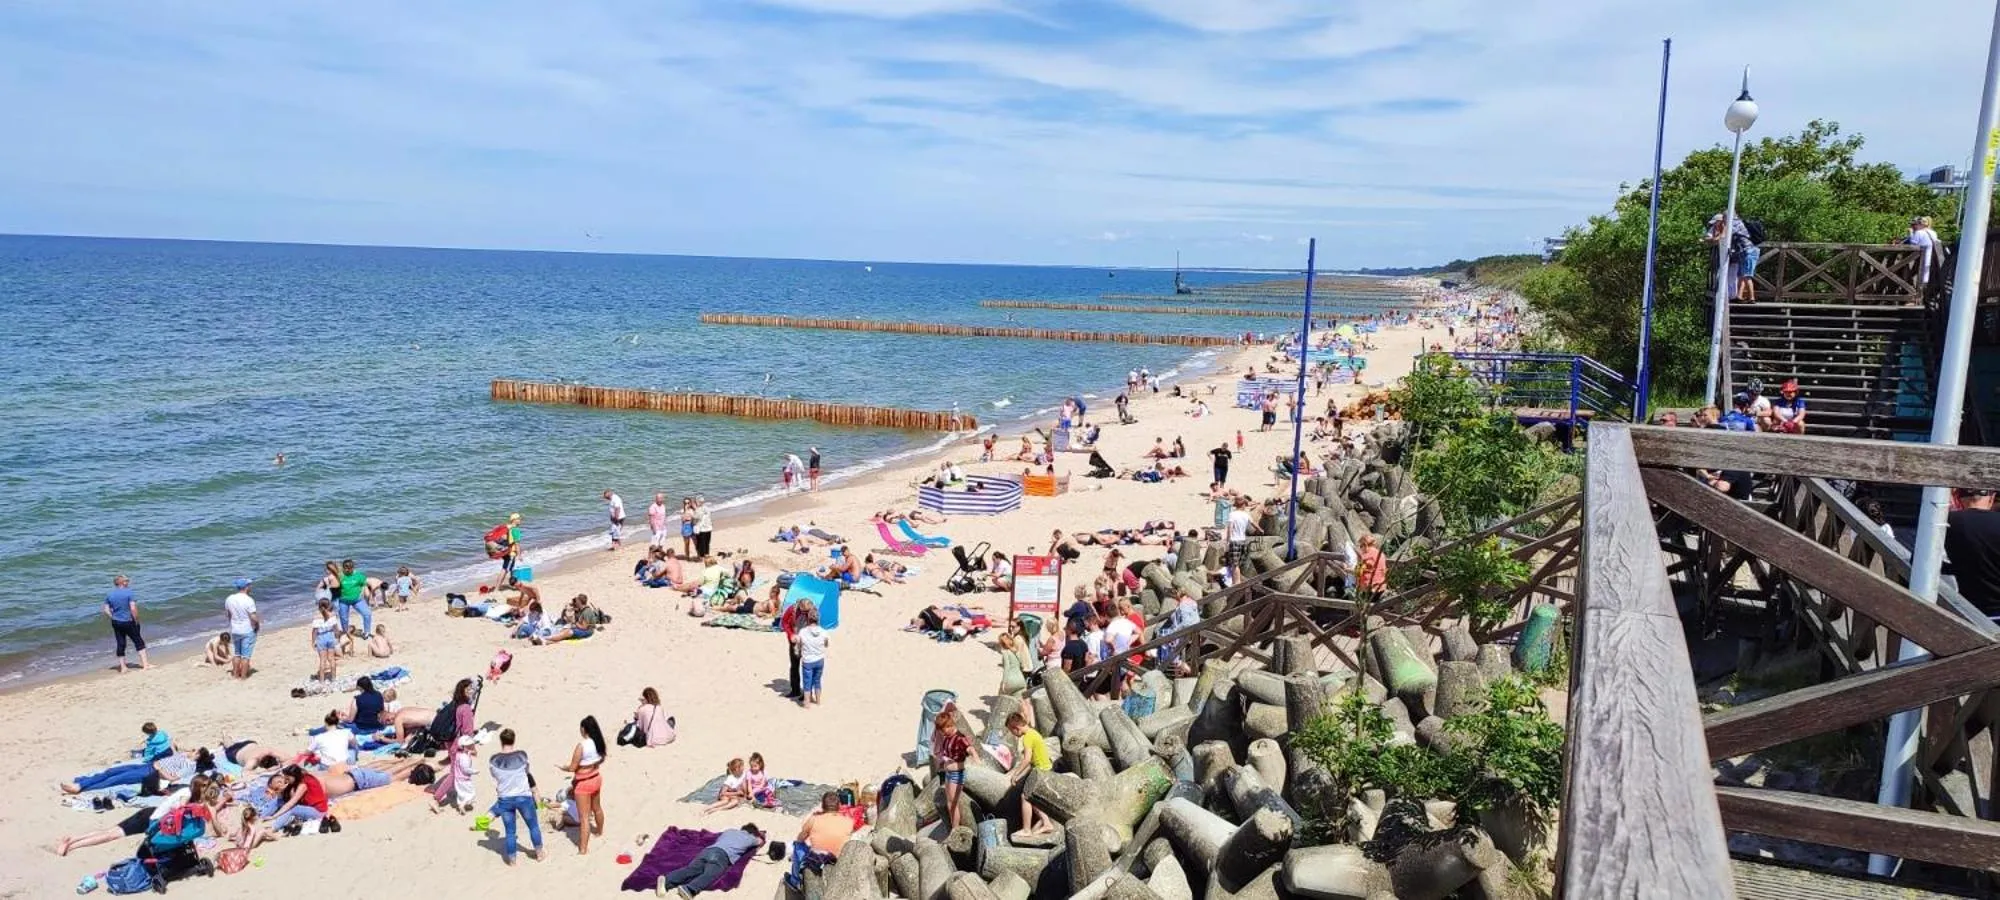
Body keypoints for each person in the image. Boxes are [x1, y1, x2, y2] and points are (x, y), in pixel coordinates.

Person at [485, 728, 544, 865]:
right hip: (523, 796)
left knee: (510, 832)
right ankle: (539, 854)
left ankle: (512, 861)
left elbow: (494, 775)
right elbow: (527, 771)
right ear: (513, 740)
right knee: (533, 826)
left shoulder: (494, 760)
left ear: (501, 741)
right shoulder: (522, 756)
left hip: (505, 799)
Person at [656, 824, 765, 898]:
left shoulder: (729, 831)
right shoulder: (750, 838)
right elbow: (760, 841)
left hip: (708, 850)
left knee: (691, 869)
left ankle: (667, 880)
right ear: (752, 833)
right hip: (723, 856)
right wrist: (760, 834)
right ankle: (689, 889)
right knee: (710, 874)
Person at [1947, 489, 2000, 622]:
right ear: (1991, 497)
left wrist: (1956, 568)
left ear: (1958, 497)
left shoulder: (1946, 523)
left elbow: (1919, 562)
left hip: (1968, 614)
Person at [558, 715, 607, 854]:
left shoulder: (581, 746)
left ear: (584, 729)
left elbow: (572, 767)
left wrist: (563, 767)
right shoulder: (598, 742)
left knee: (584, 817)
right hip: (596, 777)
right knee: (597, 808)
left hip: (583, 783)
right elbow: (601, 759)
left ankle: (583, 848)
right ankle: (599, 831)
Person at [787, 791, 854, 888]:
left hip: (818, 860)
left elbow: (800, 838)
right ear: (839, 806)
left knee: (798, 845)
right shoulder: (848, 822)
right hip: (838, 860)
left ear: (822, 806)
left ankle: (795, 881)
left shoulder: (814, 819)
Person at [1004, 713, 1055, 838]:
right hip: (1046, 768)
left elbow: (1027, 759)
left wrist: (1015, 774)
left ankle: (1027, 829)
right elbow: (1033, 760)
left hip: (1041, 771)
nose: (1013, 734)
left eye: (1011, 731)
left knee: (1026, 797)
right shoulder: (1033, 732)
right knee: (1031, 797)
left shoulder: (1027, 737)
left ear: (1016, 728)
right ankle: (1046, 823)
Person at [103, 574, 151, 673]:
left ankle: (123, 667)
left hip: (116, 622)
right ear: (122, 583)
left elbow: (106, 610)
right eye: (127, 581)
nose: (128, 582)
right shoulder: (129, 593)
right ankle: (145, 665)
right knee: (138, 641)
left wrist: (113, 617)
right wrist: (136, 619)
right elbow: (133, 608)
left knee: (121, 643)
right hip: (128, 621)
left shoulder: (110, 595)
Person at [932, 712, 972, 830]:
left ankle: (955, 828)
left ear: (949, 726)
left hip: (956, 774)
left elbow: (968, 748)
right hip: (949, 773)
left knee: (953, 804)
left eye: (943, 730)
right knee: (950, 803)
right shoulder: (948, 738)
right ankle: (954, 827)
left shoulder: (959, 737)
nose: (942, 733)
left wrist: (975, 757)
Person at [264, 765, 330, 833]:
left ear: (294, 776)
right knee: (278, 801)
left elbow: (291, 803)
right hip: (310, 808)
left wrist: (274, 816)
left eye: (288, 778)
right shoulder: (299, 779)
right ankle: (262, 816)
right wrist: (279, 790)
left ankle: (273, 828)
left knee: (291, 809)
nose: (286, 780)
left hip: (318, 811)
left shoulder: (303, 785)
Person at [223, 577, 259, 680]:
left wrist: (232, 624)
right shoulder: (249, 600)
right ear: (246, 587)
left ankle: (235, 675)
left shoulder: (229, 598)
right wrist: (257, 625)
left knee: (237, 654)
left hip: (235, 630)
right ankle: (243, 677)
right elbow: (253, 616)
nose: (251, 587)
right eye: (249, 585)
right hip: (247, 630)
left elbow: (228, 614)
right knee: (246, 656)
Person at [797, 607, 829, 708]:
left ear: (808, 618)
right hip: (819, 659)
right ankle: (818, 701)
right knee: (817, 681)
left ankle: (807, 703)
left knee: (807, 683)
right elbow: (826, 644)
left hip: (808, 660)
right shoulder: (823, 632)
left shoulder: (803, 631)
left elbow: (799, 644)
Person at [782, 598, 813, 700]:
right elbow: (784, 622)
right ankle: (795, 690)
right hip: (794, 641)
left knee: (807, 668)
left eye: (806, 612)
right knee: (794, 666)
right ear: (800, 607)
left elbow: (816, 625)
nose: (805, 613)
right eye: (803, 611)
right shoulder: (792, 609)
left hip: (807, 643)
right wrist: (791, 634)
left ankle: (807, 693)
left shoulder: (812, 611)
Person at [337, 558, 373, 638]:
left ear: (353, 568)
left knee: (367, 614)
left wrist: (366, 592)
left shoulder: (359, 576)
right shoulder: (339, 576)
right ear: (343, 568)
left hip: (357, 600)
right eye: (345, 568)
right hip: (343, 601)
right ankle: (346, 632)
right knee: (344, 618)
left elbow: (364, 584)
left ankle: (367, 632)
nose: (347, 570)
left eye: (349, 568)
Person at [310, 599, 340, 682]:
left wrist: (313, 641)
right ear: (328, 606)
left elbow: (314, 631)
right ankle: (333, 678)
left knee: (322, 660)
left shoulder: (317, 617)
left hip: (321, 637)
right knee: (331, 658)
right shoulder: (332, 615)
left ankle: (322, 680)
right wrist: (337, 638)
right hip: (330, 636)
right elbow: (336, 629)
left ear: (319, 607)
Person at [1354, 533, 1389, 600]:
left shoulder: (1365, 557)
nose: (1360, 549)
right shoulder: (1381, 554)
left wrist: (1358, 561)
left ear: (1365, 545)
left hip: (1370, 589)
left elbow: (1358, 573)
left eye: (1361, 546)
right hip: (1381, 586)